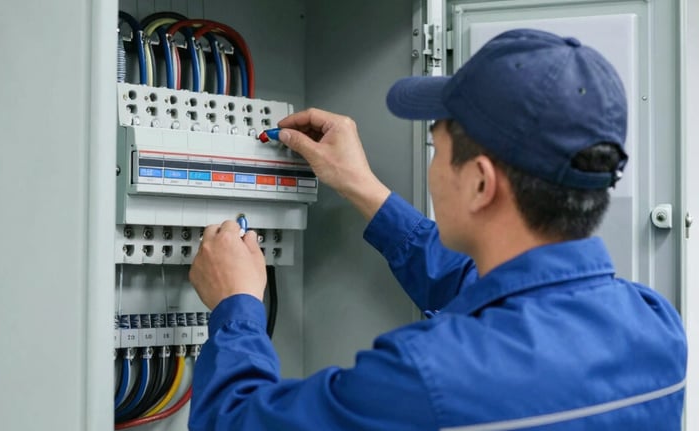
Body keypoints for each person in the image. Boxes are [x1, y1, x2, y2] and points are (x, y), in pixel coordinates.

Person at [186, 29, 686, 430]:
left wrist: (237, 307)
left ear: (480, 182)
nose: (432, 163)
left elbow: (234, 422)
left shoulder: (427, 375)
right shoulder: (655, 326)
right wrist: (362, 187)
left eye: (437, 149)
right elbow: (496, 293)